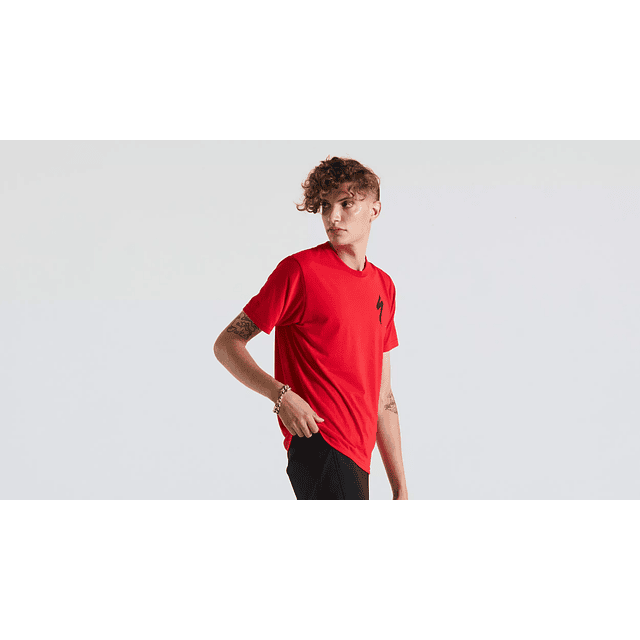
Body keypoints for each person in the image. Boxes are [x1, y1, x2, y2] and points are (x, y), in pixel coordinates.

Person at [213, 156, 408, 500]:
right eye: (326, 206)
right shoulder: (300, 271)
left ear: (374, 210)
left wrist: (400, 487)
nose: (333, 217)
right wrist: (281, 395)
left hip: (358, 455)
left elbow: (384, 397)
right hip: (319, 442)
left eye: (346, 204)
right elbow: (227, 343)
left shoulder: (383, 287)